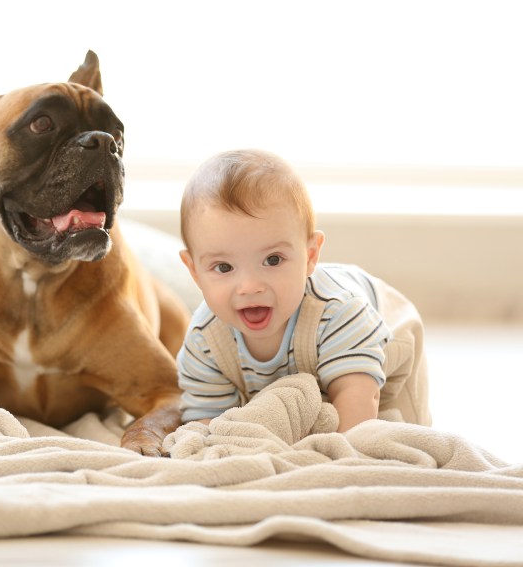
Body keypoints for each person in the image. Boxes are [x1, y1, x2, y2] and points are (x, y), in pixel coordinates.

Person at [177, 149, 431, 432]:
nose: (249, 287)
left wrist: (338, 455)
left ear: (310, 256)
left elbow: (359, 400)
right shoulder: (205, 340)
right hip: (306, 359)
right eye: (224, 267)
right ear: (194, 271)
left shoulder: (338, 312)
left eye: (273, 260)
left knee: (394, 427)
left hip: (383, 331)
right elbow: (206, 422)